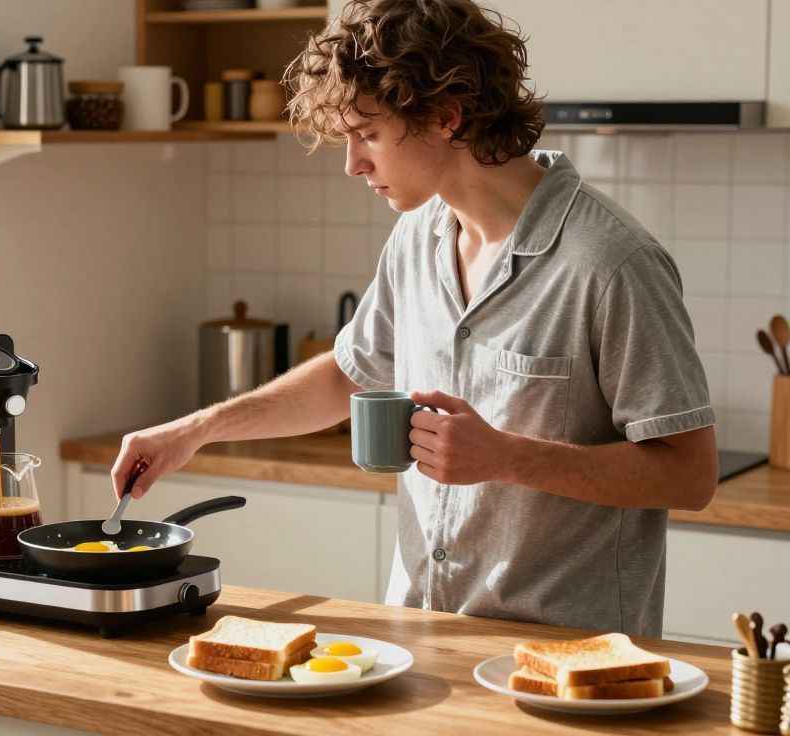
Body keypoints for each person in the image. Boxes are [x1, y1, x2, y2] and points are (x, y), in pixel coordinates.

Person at [109, 0, 716, 636]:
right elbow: (350, 377)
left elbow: (690, 473)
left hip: (565, 655)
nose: (352, 164)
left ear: (446, 116)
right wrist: (197, 430)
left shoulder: (611, 262)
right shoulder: (417, 236)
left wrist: (508, 457)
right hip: (422, 636)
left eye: (367, 135)